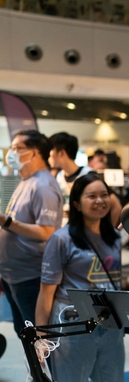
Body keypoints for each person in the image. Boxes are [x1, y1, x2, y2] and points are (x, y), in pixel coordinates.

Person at [35, 173, 124, 382]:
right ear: (76, 204)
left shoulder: (114, 237)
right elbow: (46, 292)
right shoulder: (61, 239)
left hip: (110, 324)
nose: (100, 201)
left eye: (104, 195)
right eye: (91, 196)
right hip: (73, 324)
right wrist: (41, 336)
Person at [0, 130, 63, 337]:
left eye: (17, 148)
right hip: (14, 275)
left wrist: (6, 222)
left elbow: (46, 232)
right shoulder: (26, 181)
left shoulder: (43, 185)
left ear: (35, 153)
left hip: (31, 276)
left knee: (39, 336)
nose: (11, 153)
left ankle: (43, 361)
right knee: (26, 334)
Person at [49, 133, 122, 227]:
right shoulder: (59, 176)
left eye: (50, 151)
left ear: (61, 153)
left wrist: (107, 232)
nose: (48, 156)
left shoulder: (88, 175)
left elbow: (115, 206)